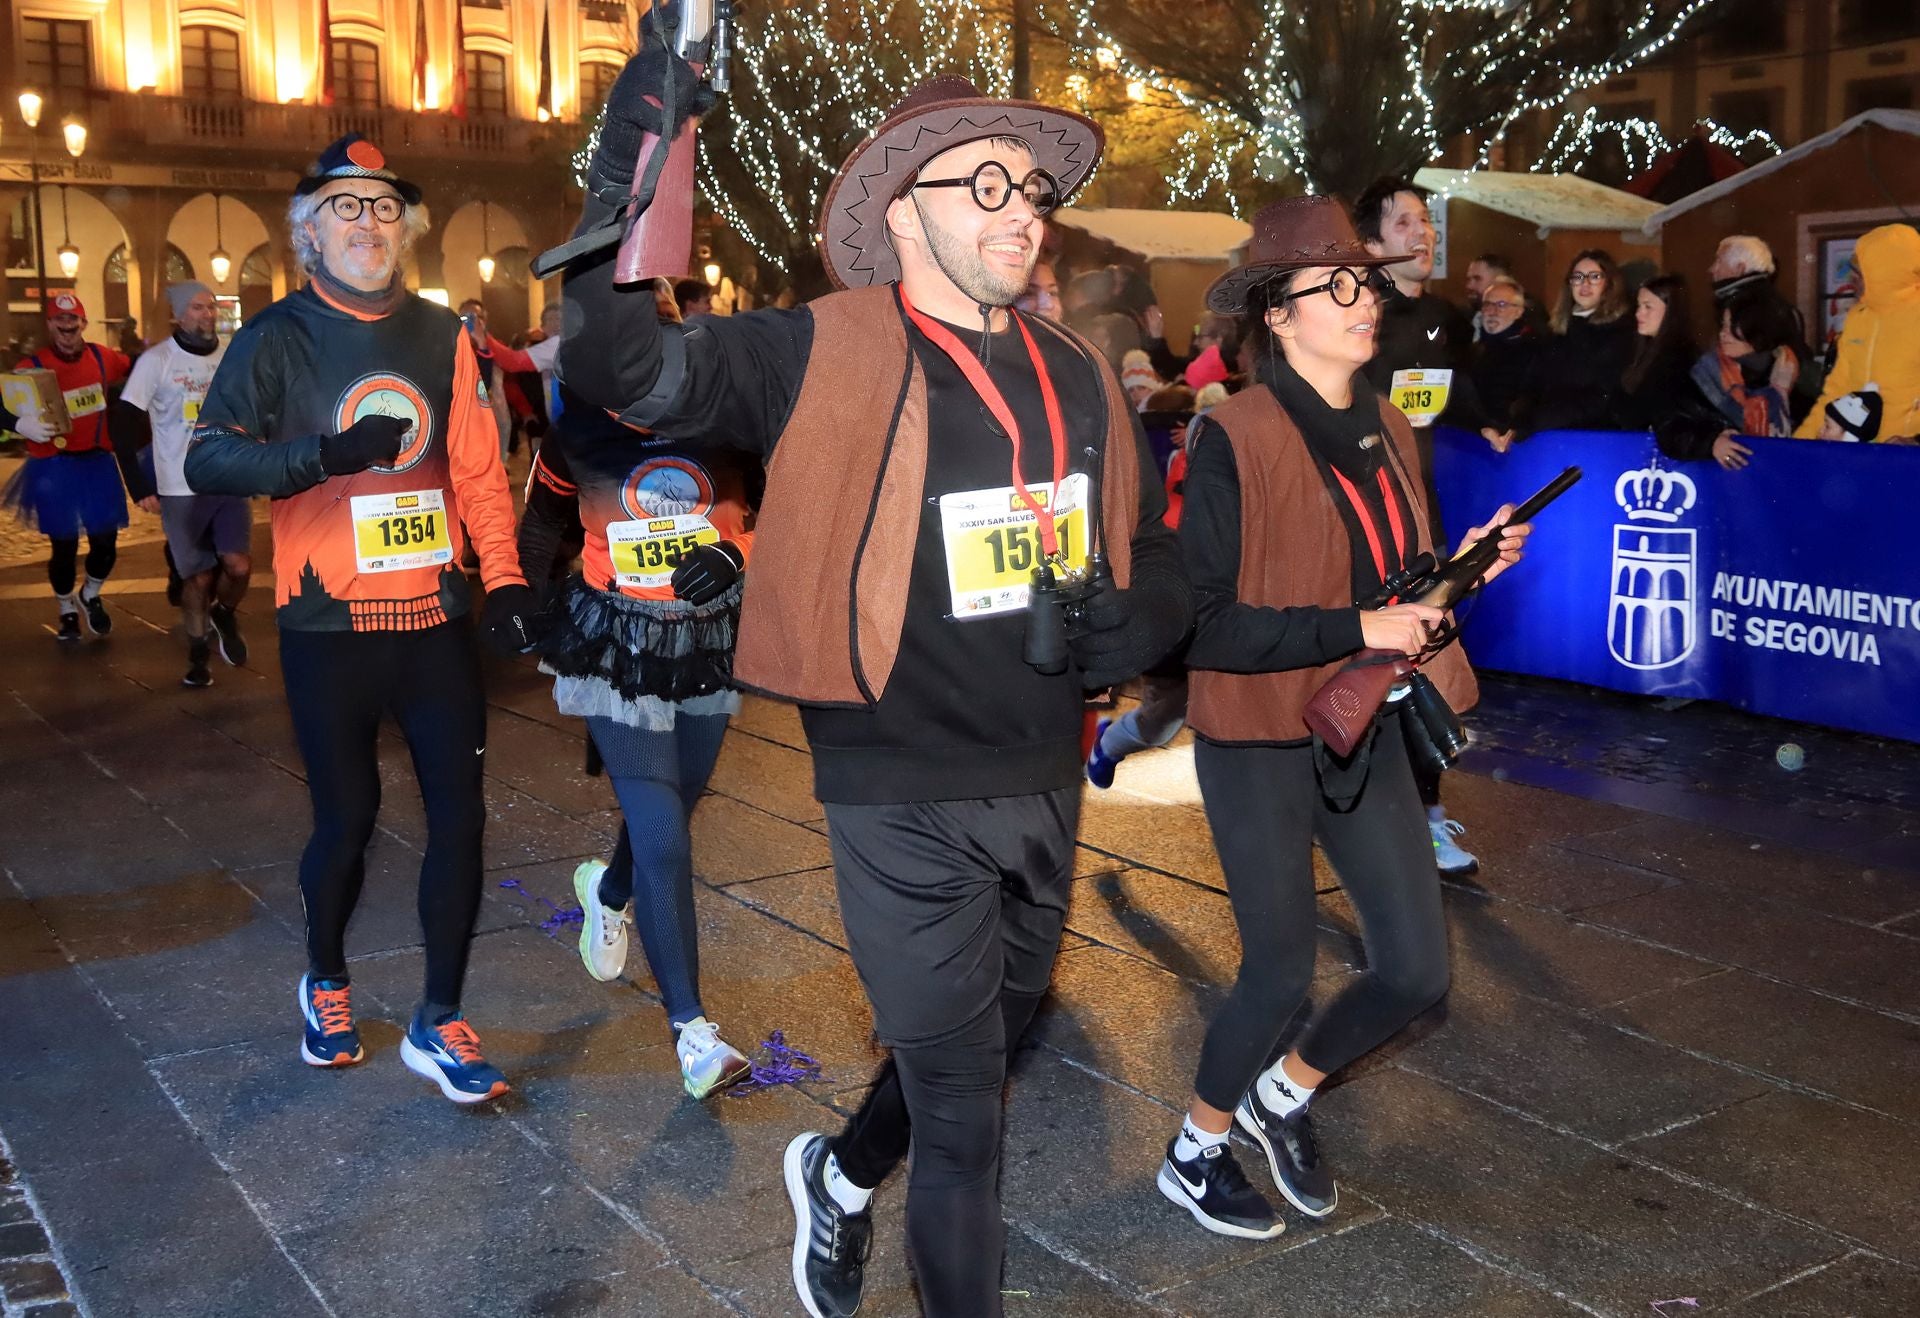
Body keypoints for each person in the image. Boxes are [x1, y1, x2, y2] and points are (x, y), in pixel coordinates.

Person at [558, 43, 1190, 1318]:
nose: (1024, 214)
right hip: (891, 780)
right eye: (988, 189)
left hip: (1041, 772)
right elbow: (619, 365)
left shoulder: (1076, 372)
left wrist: (1136, 625)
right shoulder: (812, 350)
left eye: (1033, 191)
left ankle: (838, 1176)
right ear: (904, 208)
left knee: (990, 1036)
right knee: (969, 1121)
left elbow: (1154, 551)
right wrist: (644, 131)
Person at [1162, 195, 1528, 1238]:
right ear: (1278, 314)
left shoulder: (1393, 424)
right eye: (1336, 285)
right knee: (1278, 970)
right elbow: (1210, 626)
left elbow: (1405, 597)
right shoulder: (1230, 433)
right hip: (1260, 730)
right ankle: (1195, 1150)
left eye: (1364, 280)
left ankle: (1283, 1097)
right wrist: (1364, 623)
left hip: (1361, 724)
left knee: (1415, 969)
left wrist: (1467, 574)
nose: (1363, 299)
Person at [183, 134, 540, 1104]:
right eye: (347, 207)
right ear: (309, 232)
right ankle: (327, 979)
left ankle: (440, 1016)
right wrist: (325, 456)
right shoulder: (274, 339)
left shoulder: (442, 335)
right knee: (348, 820)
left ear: (408, 229)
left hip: (431, 617)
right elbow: (209, 460)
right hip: (326, 626)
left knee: (460, 818)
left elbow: (475, 471)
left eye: (385, 207)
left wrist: (503, 582)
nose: (369, 223)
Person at [518, 312, 762, 1098]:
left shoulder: (730, 421)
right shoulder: (578, 433)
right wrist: (515, 599)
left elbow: (786, 511)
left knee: (676, 808)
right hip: (614, 640)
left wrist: (734, 552)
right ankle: (693, 1030)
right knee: (660, 831)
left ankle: (608, 891)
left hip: (711, 641)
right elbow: (543, 519)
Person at [1352, 177, 1497, 875]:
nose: (1425, 234)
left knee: (1426, 663)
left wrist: (1497, 419)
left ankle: (1426, 812)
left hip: (1420, 520)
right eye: (1406, 223)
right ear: (1374, 246)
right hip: (1358, 519)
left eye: (1428, 222)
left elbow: (1453, 390)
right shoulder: (1354, 314)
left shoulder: (1441, 315)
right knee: (1368, 674)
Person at [115, 281, 251, 686]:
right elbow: (121, 423)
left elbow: (253, 408)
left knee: (239, 567)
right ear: (177, 315)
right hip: (179, 484)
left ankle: (224, 614)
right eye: (197, 308)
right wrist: (138, 485)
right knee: (198, 577)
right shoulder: (157, 361)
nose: (207, 315)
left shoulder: (230, 356)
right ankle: (197, 655)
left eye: (211, 307)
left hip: (228, 479)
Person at [1, 292, 132, 640]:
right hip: (54, 466)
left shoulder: (104, 358)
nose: (67, 329)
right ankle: (65, 608)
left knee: (105, 543)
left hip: (97, 462)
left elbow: (138, 368)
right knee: (64, 546)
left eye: (73, 322)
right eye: (60, 323)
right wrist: (18, 424)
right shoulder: (31, 368)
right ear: (50, 325)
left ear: (83, 324)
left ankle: (90, 594)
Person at [1795, 223, 1920, 442]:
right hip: (1856, 456)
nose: (1851, 280)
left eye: (1860, 273)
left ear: (1886, 274)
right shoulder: (1858, 319)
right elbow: (1836, 391)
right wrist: (1800, 442)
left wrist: (1915, 442)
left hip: (1906, 461)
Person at [1517, 249, 1636, 435]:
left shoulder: (1621, 332)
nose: (1585, 283)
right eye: (1578, 277)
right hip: (1548, 432)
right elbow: (1533, 383)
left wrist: (1541, 421)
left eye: (1595, 276)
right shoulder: (1556, 331)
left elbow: (1603, 396)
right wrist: (1520, 421)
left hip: (1593, 436)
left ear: (1610, 283)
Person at [1613, 274, 1697, 436]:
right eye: (1638, 306)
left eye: (1648, 307)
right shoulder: (1642, 350)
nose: (1638, 314)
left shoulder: (1679, 359)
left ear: (1670, 310)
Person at [1469, 276, 1539, 440]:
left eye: (1501, 305)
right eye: (1487, 304)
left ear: (1518, 311)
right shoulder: (1472, 351)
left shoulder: (1533, 351)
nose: (1493, 311)